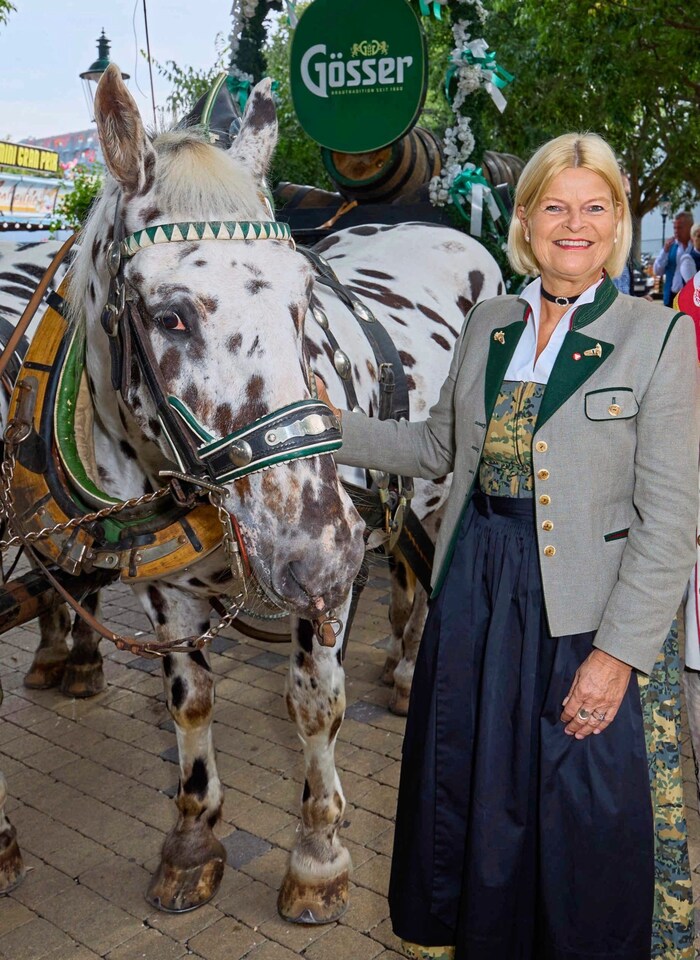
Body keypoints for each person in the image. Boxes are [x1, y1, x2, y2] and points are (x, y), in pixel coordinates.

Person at [319, 132, 699, 960]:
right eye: (555, 207)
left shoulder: (657, 336)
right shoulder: (491, 324)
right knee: (481, 799)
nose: (575, 224)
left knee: (581, 815)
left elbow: (671, 521)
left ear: (618, 222)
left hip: (584, 612)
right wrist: (322, 427)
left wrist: (619, 656)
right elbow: (435, 450)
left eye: (594, 207)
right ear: (524, 221)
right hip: (477, 595)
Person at [654, 210, 694, 305]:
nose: (676, 231)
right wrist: (664, 251)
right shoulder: (670, 246)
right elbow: (657, 271)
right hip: (672, 297)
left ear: (690, 227)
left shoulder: (696, 246)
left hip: (692, 298)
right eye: (674, 228)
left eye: (680, 228)